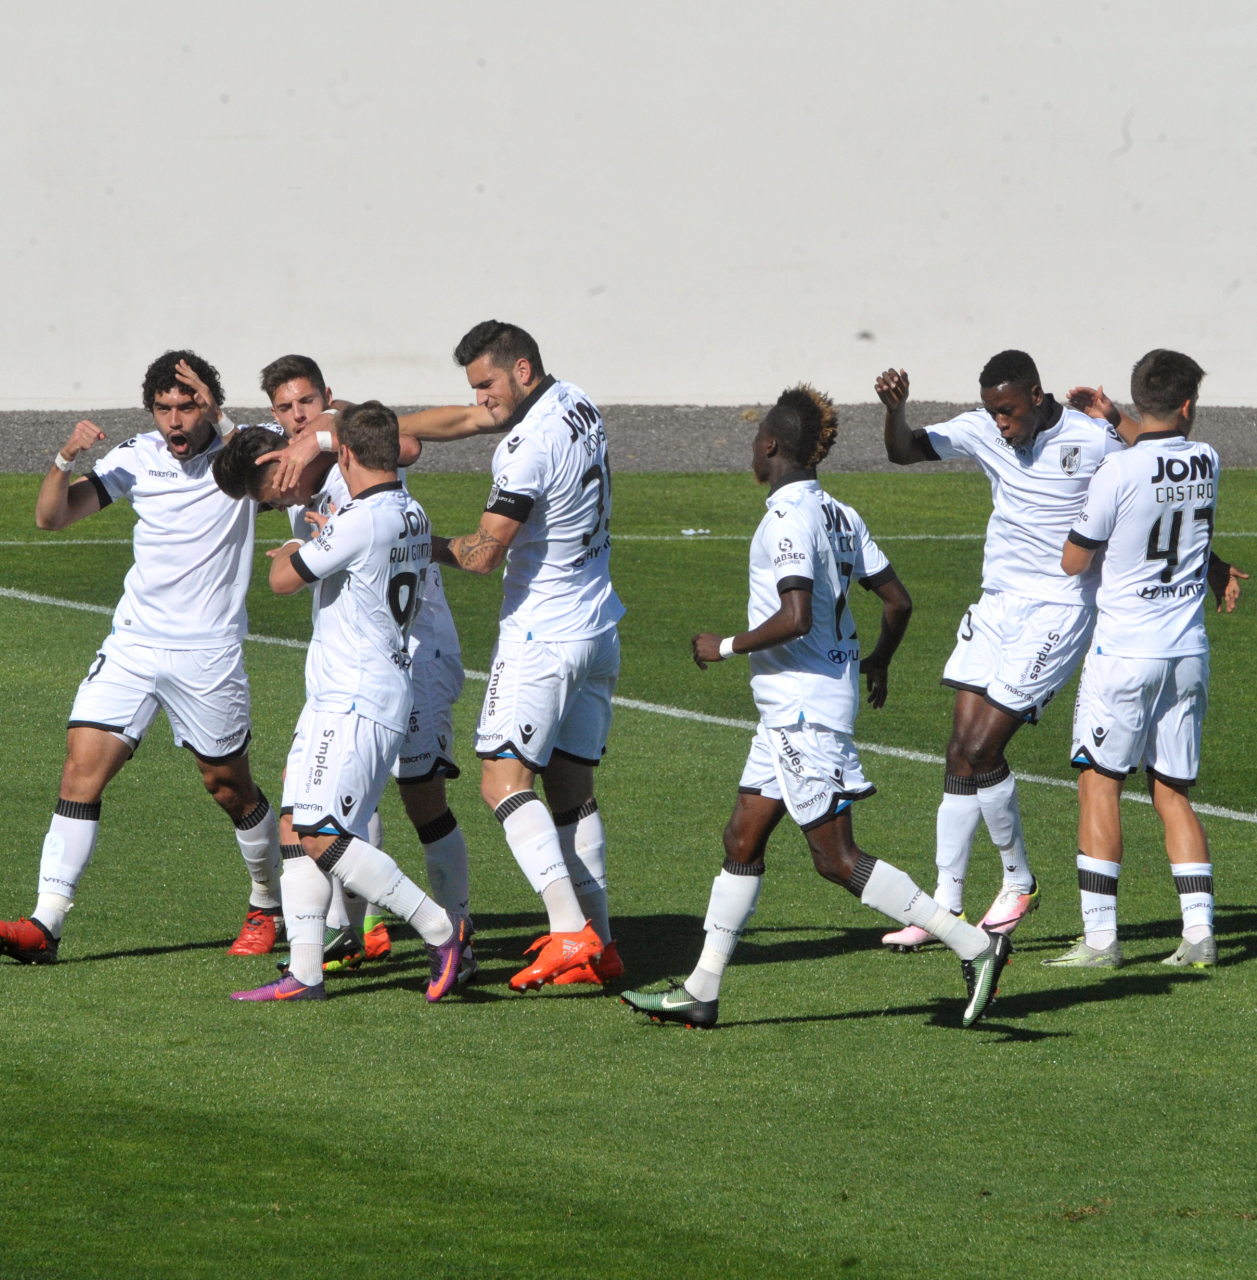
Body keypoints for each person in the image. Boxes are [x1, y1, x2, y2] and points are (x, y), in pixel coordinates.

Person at [620, 386, 1012, 1029]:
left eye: (756, 440)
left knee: (836, 859)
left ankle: (974, 943)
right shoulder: (840, 514)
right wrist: (878, 660)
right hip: (795, 709)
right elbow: (898, 602)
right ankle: (701, 988)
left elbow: (796, 616)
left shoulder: (788, 520)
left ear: (770, 446)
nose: (753, 448)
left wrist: (723, 646)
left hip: (803, 711)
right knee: (741, 837)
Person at [0, 352, 285, 964]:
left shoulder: (244, 453)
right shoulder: (136, 457)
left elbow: (276, 470)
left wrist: (222, 417)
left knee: (229, 788)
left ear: (210, 406)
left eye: (188, 405)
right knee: (78, 774)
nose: (175, 420)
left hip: (207, 652)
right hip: (133, 645)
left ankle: (266, 901)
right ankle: (46, 922)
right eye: (164, 407)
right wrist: (66, 458)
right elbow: (51, 517)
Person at [873, 351, 1133, 951]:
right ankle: (945, 908)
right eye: (993, 412)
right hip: (996, 606)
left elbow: (1149, 475)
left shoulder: (1092, 440)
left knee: (985, 746)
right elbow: (903, 450)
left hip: (1059, 610)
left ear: (1038, 397)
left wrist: (1212, 561)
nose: (1001, 425)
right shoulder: (982, 429)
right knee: (960, 751)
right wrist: (897, 410)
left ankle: (1019, 880)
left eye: (1009, 411)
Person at [231, 401, 469, 1002]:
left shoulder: (361, 519)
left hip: (357, 697)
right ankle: (306, 971)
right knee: (293, 824)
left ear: (345, 454)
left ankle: (440, 929)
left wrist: (292, 547)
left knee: (319, 832)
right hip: (343, 691)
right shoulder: (410, 511)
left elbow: (283, 581)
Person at [430, 320, 626, 991]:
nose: (480, 400)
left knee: (500, 781)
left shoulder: (525, 448)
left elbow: (484, 555)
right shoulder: (578, 402)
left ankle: (569, 929)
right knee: (571, 789)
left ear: (519, 370)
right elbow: (472, 421)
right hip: (599, 625)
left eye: (486, 384)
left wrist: (418, 537)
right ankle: (603, 943)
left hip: (544, 635)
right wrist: (400, 428)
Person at [1044, 351, 1223, 969]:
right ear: (1189, 406)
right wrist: (1116, 417)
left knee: (1099, 784)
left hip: (1123, 654)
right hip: (1188, 654)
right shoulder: (1209, 460)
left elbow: (1074, 560)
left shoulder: (1115, 474)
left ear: (1138, 396)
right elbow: (1163, 455)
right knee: (1171, 791)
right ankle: (1199, 935)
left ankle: (1100, 941)